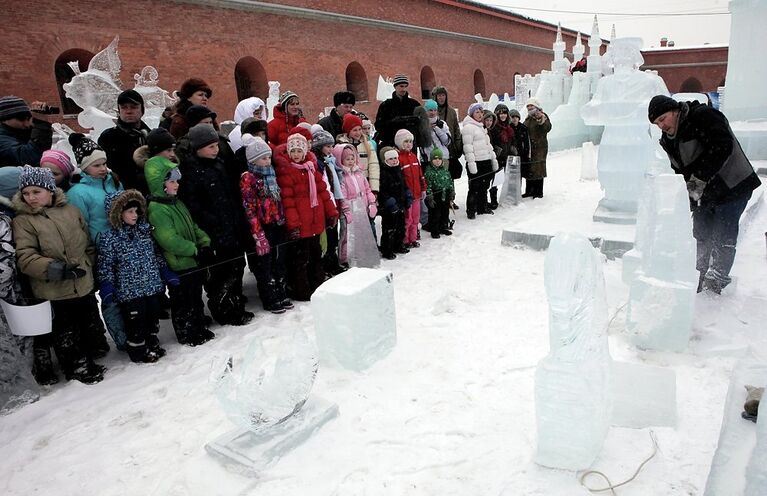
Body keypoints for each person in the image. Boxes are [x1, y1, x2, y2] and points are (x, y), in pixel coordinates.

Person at [648, 94, 761, 294]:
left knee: (723, 233)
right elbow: (680, 170)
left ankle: (717, 280)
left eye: (663, 118)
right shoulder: (668, 140)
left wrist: (699, 178)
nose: (661, 125)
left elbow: (722, 146)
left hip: (733, 184)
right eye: (657, 123)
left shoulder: (703, 116)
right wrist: (690, 197)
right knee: (700, 231)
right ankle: (698, 274)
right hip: (705, 191)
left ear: (674, 110)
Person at [13, 166, 105, 384]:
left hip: (82, 282)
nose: (31, 197)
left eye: (36, 191)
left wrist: (90, 264)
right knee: (66, 332)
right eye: (26, 193)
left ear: (50, 190)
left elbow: (86, 242)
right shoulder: (23, 221)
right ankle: (76, 368)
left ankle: (92, 354)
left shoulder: (71, 211)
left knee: (86, 322)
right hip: (53, 289)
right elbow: (25, 256)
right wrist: (55, 269)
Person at [178, 124, 254, 326]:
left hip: (231, 227)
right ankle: (223, 310)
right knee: (220, 275)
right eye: (210, 146)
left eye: (216, 145)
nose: (215, 149)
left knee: (237, 268)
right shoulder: (191, 171)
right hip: (214, 232)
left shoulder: (219, 164)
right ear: (197, 147)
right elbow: (194, 205)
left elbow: (231, 196)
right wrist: (211, 225)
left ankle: (236, 305)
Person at [97, 190, 176, 363]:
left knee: (153, 314)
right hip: (129, 291)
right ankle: (138, 349)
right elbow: (106, 264)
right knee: (136, 320)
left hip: (152, 285)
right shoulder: (110, 238)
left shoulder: (144, 231)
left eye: (137, 211)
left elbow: (156, 255)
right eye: (130, 212)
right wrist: (107, 285)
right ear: (118, 214)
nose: (135, 215)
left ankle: (151, 340)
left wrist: (166, 272)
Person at [145, 153, 215, 346]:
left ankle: (198, 325)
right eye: (172, 181)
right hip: (179, 264)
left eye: (177, 180)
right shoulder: (157, 209)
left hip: (192, 260)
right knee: (183, 301)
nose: (177, 185)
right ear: (160, 183)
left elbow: (193, 226)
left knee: (195, 296)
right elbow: (169, 240)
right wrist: (193, 250)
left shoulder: (177, 203)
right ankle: (187, 332)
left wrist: (204, 242)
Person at [273, 133, 338, 301]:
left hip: (315, 222)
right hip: (301, 225)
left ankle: (318, 285)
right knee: (300, 260)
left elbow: (323, 192)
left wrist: (331, 212)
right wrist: (294, 224)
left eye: (299, 151)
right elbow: (288, 201)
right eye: (292, 151)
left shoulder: (311, 168)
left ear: (305, 151)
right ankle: (302, 290)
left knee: (316, 256)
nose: (296, 154)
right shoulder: (286, 171)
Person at [240, 134, 292, 314]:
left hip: (278, 223)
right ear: (254, 160)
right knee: (265, 264)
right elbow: (249, 208)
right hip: (263, 227)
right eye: (263, 158)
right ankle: (269, 297)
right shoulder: (249, 178)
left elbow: (278, 200)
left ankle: (281, 291)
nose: (268, 160)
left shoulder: (271, 174)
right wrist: (258, 233)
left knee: (280, 261)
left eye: (268, 157)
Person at [98, 90, 151, 194]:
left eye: (134, 107)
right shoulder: (108, 137)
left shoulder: (150, 136)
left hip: (150, 193)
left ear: (142, 110)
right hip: (122, 195)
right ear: (119, 111)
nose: (128, 111)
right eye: (124, 107)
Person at [331, 143, 377, 265]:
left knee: (362, 231)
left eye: (352, 158)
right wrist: (346, 210)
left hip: (362, 206)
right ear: (341, 160)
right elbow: (342, 196)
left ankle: (361, 254)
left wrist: (371, 202)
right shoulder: (342, 177)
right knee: (347, 234)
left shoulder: (359, 173)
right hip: (350, 208)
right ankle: (345, 258)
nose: (351, 162)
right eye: (347, 159)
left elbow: (367, 189)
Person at [311, 129, 345, 276]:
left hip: (333, 200)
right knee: (327, 237)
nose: (331, 149)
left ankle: (333, 262)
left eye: (332, 146)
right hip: (326, 202)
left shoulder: (329, 160)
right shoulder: (319, 163)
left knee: (333, 236)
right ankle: (327, 265)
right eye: (328, 146)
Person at [461, 103, 498, 219]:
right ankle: (471, 210)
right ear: (471, 114)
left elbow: (488, 145)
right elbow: (468, 147)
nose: (480, 114)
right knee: (474, 188)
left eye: (481, 112)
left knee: (484, 187)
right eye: (477, 112)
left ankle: (482, 207)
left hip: (486, 160)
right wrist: (472, 164)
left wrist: (493, 158)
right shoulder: (468, 128)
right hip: (476, 162)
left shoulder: (481, 127)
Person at [377, 147, 411, 259]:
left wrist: (407, 194)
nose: (394, 160)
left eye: (395, 158)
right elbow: (382, 190)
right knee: (389, 229)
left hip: (400, 203)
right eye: (391, 159)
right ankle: (388, 249)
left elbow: (404, 184)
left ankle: (398, 245)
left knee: (400, 227)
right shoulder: (383, 173)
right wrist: (388, 201)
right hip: (389, 207)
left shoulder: (398, 170)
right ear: (386, 160)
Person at [0, 96, 54, 168]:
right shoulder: (2, 138)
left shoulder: (22, 131)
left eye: (28, 118)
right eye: (21, 118)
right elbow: (28, 158)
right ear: (4, 119)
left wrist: (37, 122)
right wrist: (41, 124)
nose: (26, 123)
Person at [395, 129, 426, 248]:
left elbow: (420, 175)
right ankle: (405, 239)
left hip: (417, 194)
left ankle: (413, 238)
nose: (408, 144)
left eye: (410, 141)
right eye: (405, 142)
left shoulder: (414, 157)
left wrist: (423, 188)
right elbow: (400, 179)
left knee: (415, 218)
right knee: (407, 219)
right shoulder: (399, 159)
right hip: (407, 196)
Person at [374, 74, 420, 148]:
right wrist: (394, 123)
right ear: (395, 86)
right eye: (401, 86)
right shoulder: (386, 105)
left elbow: (421, 123)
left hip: (410, 145)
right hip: (392, 144)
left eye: (405, 86)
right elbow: (379, 126)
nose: (404, 89)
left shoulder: (414, 104)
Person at [431, 86, 463, 183]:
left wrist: (458, 147)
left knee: (450, 179)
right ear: (435, 97)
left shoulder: (451, 112)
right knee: (437, 180)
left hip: (450, 150)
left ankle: (450, 197)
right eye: (439, 95)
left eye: (443, 95)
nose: (441, 98)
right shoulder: (431, 112)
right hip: (436, 151)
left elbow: (456, 130)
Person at [489, 104, 517, 209]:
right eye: (500, 113)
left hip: (508, 157)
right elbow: (491, 142)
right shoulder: (494, 127)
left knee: (509, 179)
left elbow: (513, 140)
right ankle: (493, 200)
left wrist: (513, 148)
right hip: (498, 158)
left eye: (505, 113)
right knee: (495, 180)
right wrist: (497, 151)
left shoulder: (509, 127)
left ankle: (508, 197)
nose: (503, 115)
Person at [523, 98, 552, 199]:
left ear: (536, 107)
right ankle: (529, 190)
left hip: (540, 148)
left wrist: (541, 119)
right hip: (530, 148)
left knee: (538, 168)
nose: (530, 108)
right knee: (529, 168)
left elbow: (547, 128)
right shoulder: (528, 119)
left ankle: (538, 192)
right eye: (528, 106)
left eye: (532, 106)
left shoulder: (542, 116)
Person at [423, 148, 455, 239]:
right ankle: (434, 230)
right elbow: (427, 185)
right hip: (435, 195)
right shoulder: (429, 172)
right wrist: (429, 196)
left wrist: (452, 191)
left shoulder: (445, 170)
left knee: (445, 212)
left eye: (439, 159)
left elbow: (450, 181)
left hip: (445, 194)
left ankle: (443, 227)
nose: (437, 161)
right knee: (435, 214)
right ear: (431, 160)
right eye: (435, 159)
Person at [509, 108, 531, 182]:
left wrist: (527, 155)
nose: (514, 119)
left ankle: (518, 192)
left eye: (516, 117)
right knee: (512, 177)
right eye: (512, 117)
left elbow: (527, 143)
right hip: (512, 156)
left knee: (520, 176)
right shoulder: (508, 128)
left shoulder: (523, 128)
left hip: (522, 155)